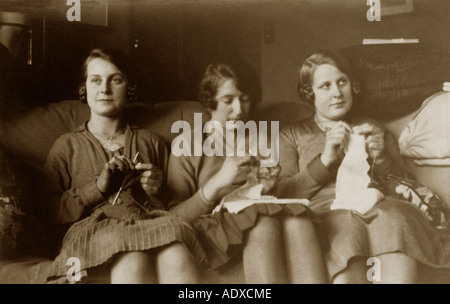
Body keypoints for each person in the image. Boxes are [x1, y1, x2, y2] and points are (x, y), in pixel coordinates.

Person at [275, 49, 450, 284]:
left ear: (352, 85)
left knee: (394, 217)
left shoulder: (370, 126)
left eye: (342, 82)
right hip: (328, 213)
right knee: (345, 228)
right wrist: (325, 160)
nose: (337, 93)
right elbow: (283, 194)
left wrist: (382, 157)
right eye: (325, 86)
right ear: (310, 93)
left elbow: (405, 182)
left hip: (379, 205)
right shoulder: (292, 134)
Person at [42, 48, 205, 284]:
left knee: (177, 253)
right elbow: (47, 213)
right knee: (133, 257)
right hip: (95, 234)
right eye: (96, 80)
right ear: (83, 88)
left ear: (129, 88)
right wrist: (96, 188)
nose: (105, 89)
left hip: (149, 225)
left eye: (115, 80)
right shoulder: (67, 146)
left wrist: (156, 191)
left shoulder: (151, 142)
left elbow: (172, 207)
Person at [167, 61, 328, 284]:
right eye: (228, 100)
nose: (239, 110)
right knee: (263, 222)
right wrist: (217, 183)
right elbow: (173, 218)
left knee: (298, 220)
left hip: (262, 216)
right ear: (209, 100)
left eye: (245, 99)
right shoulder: (187, 144)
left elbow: (285, 194)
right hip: (215, 230)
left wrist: (271, 188)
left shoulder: (267, 138)